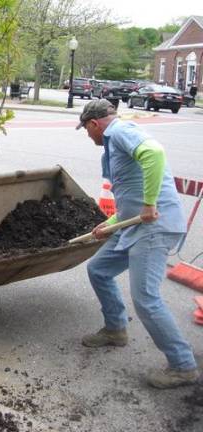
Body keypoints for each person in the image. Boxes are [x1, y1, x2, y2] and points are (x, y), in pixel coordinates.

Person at [76, 99, 199, 389]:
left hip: (153, 226)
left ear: (94, 124)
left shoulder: (119, 132)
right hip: (132, 224)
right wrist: (112, 221)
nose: (87, 135)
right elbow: (131, 190)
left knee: (145, 297)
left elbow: (154, 154)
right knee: (98, 270)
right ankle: (115, 329)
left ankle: (183, 366)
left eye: (86, 129)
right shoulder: (114, 141)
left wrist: (149, 204)